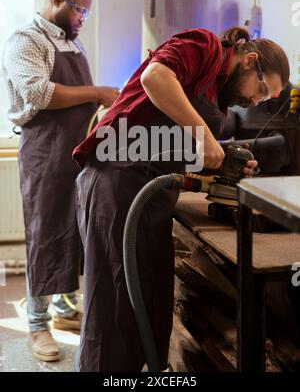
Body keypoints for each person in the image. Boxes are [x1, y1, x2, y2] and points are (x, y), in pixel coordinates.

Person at [73, 26, 290, 372]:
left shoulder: (218, 94)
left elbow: (167, 145)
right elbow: (155, 77)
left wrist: (224, 161)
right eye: (260, 90)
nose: (254, 101)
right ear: (250, 61)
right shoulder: (203, 45)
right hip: (115, 182)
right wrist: (204, 137)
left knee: (151, 309)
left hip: (151, 197)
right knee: (113, 313)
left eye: (263, 101)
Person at [2, 0, 119, 362]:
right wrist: (98, 92)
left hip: (76, 151)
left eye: (87, 10)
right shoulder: (26, 40)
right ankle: (37, 323)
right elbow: (38, 92)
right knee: (45, 230)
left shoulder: (71, 41)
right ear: (57, 1)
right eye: (79, 9)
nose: (84, 17)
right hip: (45, 151)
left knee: (75, 228)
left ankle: (64, 307)